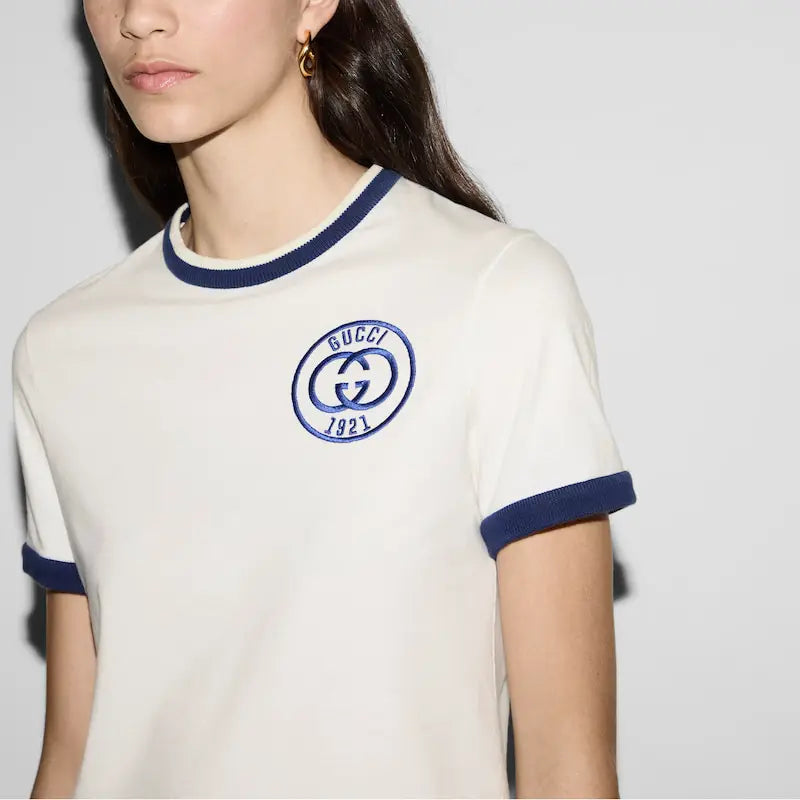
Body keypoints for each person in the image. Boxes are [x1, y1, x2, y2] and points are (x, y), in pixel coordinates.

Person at [11, 0, 637, 797]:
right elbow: (71, 756)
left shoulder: (493, 293)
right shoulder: (64, 351)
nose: (141, 17)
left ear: (311, 5)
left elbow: (567, 766)